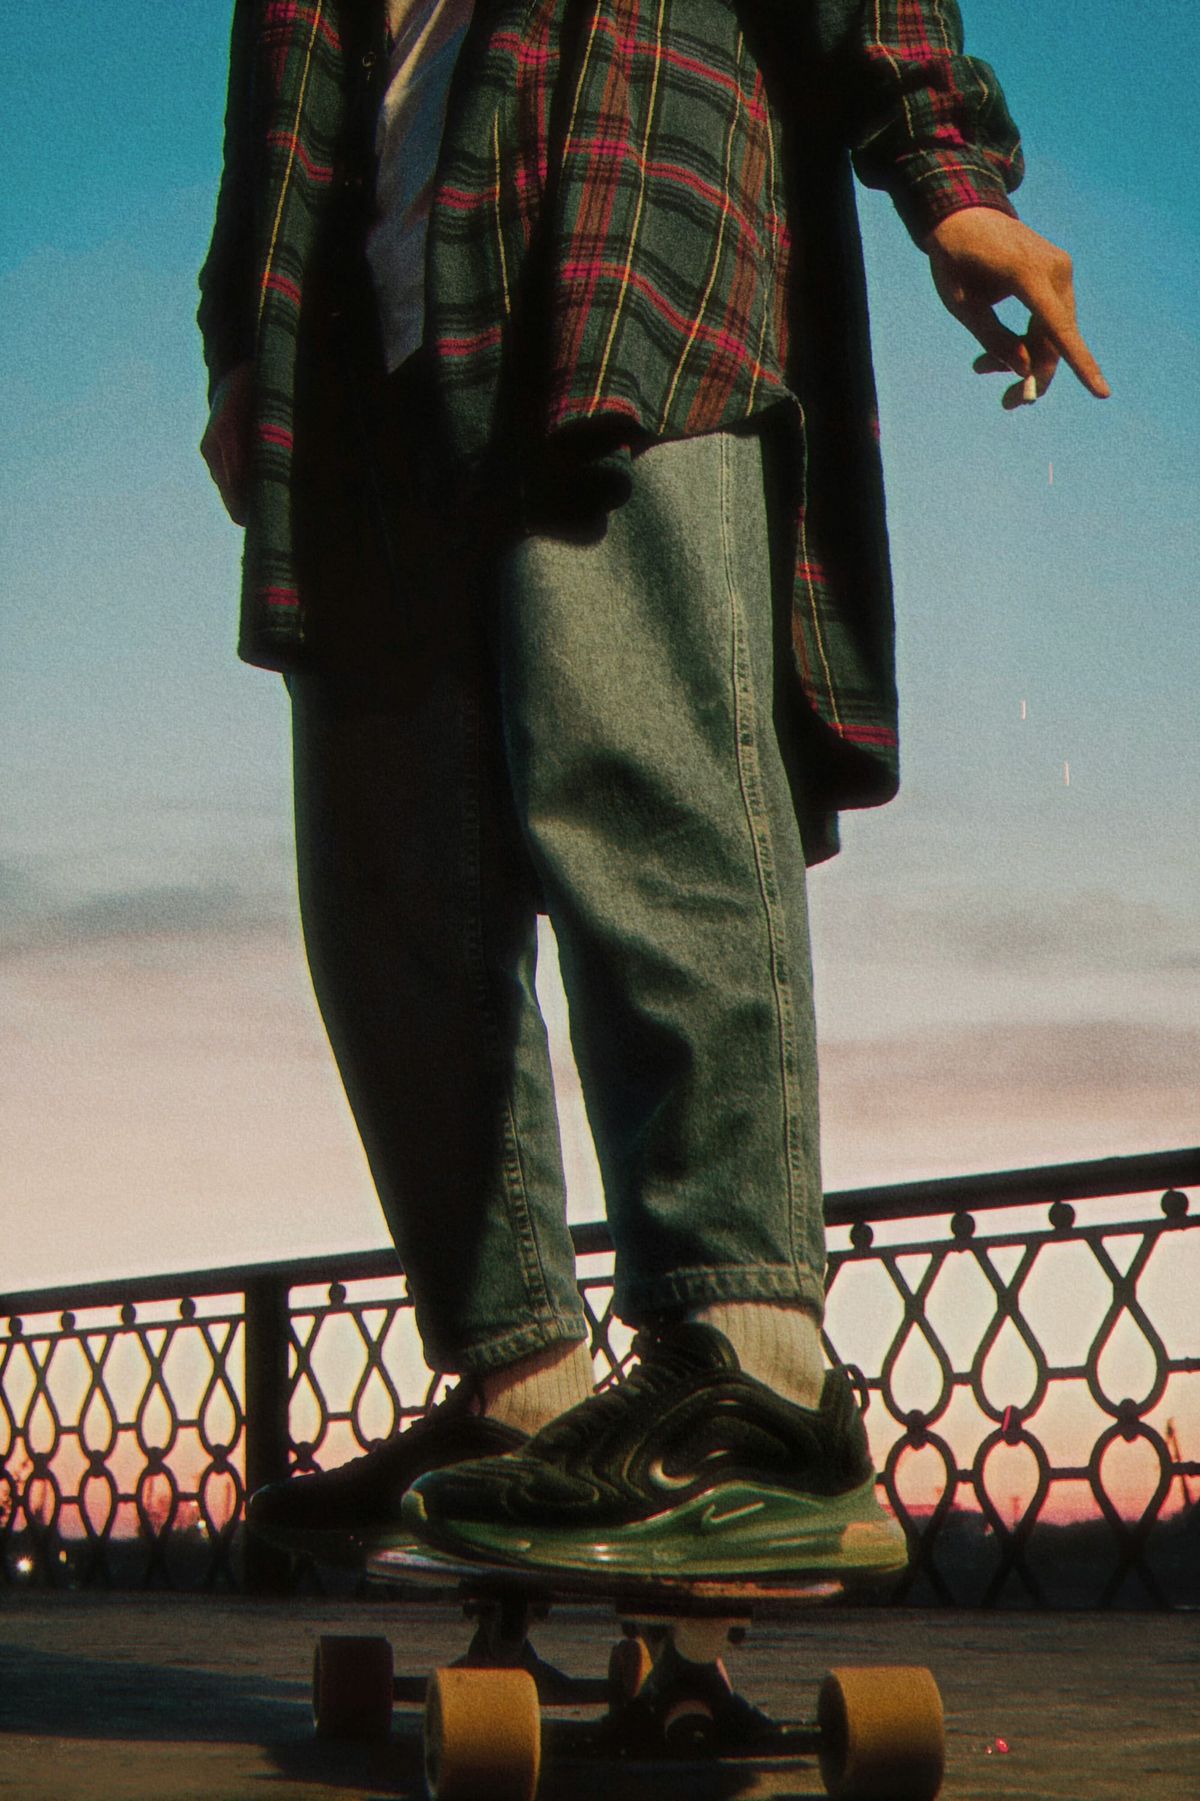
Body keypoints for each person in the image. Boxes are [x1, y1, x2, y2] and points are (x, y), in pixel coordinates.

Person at [199, 0, 1106, 1580]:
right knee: (386, 885)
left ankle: (758, 1388)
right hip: (360, 358)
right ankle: (524, 1394)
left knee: (643, 785)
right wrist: (239, 355)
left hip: (623, 235)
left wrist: (948, 175)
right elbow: (269, 127)